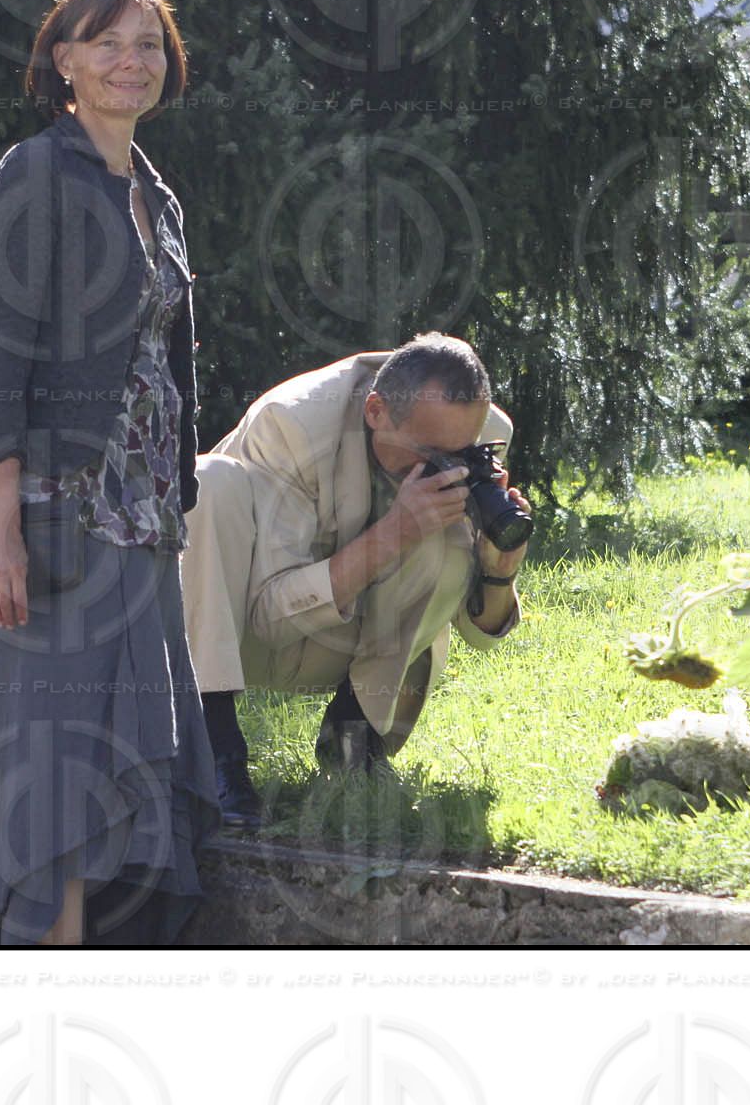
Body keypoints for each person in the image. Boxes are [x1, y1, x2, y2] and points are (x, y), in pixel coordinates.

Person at [0, 0, 223, 947]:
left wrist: (180, 495)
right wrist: (1, 522)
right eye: (106, 43)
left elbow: (163, 363)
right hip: (64, 512)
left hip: (144, 518)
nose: (129, 62)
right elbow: (2, 356)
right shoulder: (34, 175)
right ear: (64, 60)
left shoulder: (159, 193)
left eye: (148, 44)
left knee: (117, 757)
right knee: (54, 762)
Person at [184, 334, 534, 824]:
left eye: (458, 453)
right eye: (428, 451)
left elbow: (481, 636)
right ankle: (214, 748)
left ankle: (354, 742)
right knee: (208, 482)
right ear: (375, 411)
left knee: (448, 534)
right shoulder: (291, 423)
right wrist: (391, 535)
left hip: (355, 647)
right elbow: (268, 618)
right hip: (239, 634)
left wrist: (499, 569)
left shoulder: (480, 432)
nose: (442, 467)